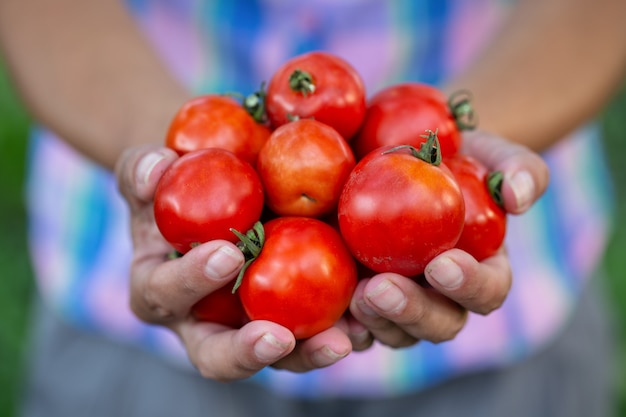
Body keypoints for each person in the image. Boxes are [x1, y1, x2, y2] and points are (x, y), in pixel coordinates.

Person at [0, 0, 624, 416]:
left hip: (502, 338)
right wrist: (163, 164)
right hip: (134, 302)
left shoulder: (434, 176)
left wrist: (465, 152)